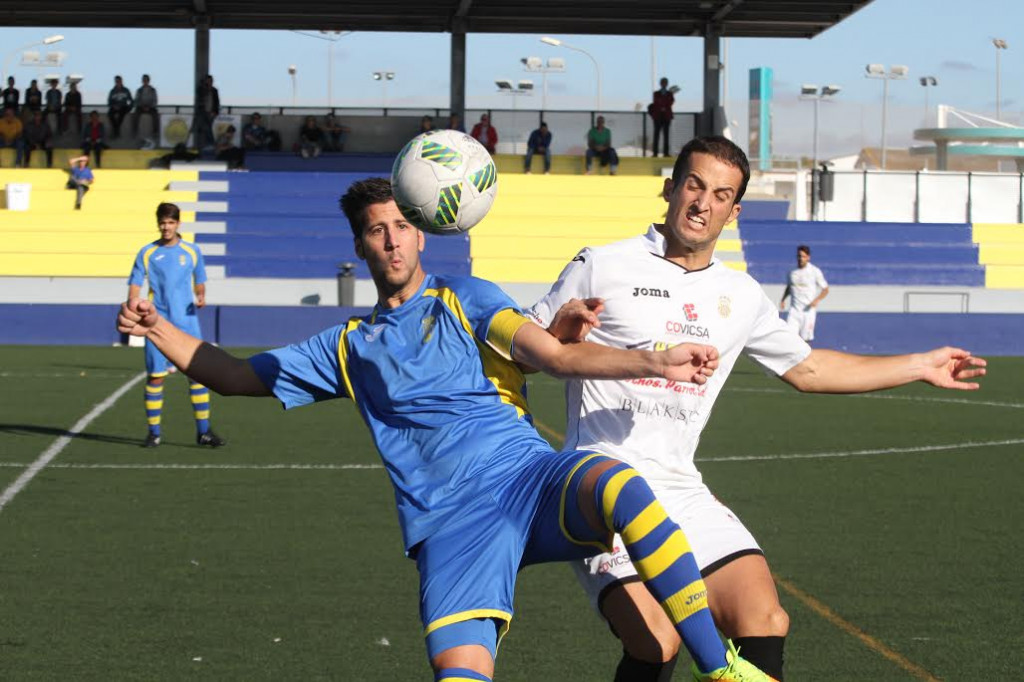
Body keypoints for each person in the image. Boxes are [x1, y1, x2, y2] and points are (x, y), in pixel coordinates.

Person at [117, 177, 776, 682]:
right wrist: (155, 327)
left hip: (525, 479)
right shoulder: (347, 347)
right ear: (360, 244)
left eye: (402, 225)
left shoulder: (471, 296)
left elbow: (553, 355)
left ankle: (718, 668)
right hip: (449, 528)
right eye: (377, 230)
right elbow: (232, 375)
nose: (392, 240)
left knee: (617, 483)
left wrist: (653, 358)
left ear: (422, 232)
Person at [528, 135, 988, 682]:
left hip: (681, 489)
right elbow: (525, 351)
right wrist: (559, 334)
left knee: (766, 618)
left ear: (734, 210)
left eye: (721, 195)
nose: (703, 203)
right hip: (601, 490)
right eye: (694, 186)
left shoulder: (740, 293)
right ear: (670, 187)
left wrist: (920, 364)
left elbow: (808, 369)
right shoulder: (601, 264)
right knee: (658, 640)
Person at [126, 202, 226, 449]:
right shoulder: (147, 253)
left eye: (171, 222)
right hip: (156, 323)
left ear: (178, 224)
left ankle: (204, 432)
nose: (166, 227)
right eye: (162, 222)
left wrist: (201, 295)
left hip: (188, 323)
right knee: (156, 378)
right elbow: (135, 284)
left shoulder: (192, 251)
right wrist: (133, 304)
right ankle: (154, 434)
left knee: (197, 377)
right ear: (157, 223)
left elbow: (200, 280)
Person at [780, 245, 829, 343]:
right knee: (789, 338)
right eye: (799, 256)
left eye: (803, 256)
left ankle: (806, 358)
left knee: (805, 341)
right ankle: (792, 358)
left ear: (808, 257)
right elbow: (790, 287)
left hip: (808, 311)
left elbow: (825, 289)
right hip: (794, 311)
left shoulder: (815, 271)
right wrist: (783, 299)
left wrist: (817, 300)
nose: (800, 259)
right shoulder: (792, 273)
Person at [648, 77, 675, 157]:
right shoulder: (656, 93)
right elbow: (657, 102)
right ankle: (655, 153)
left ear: (667, 84)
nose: (664, 84)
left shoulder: (670, 94)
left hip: (666, 116)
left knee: (666, 135)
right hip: (658, 116)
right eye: (663, 82)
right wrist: (663, 106)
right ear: (661, 84)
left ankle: (666, 153)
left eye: (665, 82)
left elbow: (670, 102)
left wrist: (663, 106)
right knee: (656, 134)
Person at [194, 75, 220, 151]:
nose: (209, 82)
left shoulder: (214, 90)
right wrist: (205, 88)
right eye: (207, 81)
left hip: (211, 112)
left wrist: (215, 112)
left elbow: (217, 102)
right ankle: (207, 144)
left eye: (210, 81)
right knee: (204, 128)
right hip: (202, 112)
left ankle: (210, 144)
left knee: (209, 128)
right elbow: (200, 97)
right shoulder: (201, 89)